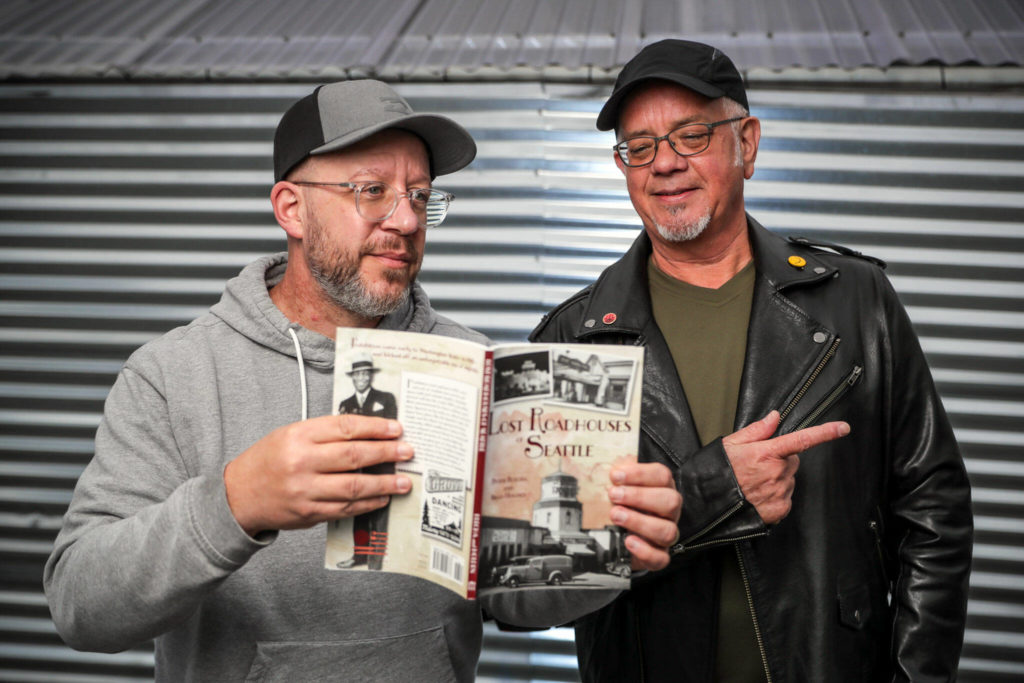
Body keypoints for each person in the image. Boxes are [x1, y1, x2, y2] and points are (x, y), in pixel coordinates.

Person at [43, 79, 683, 681]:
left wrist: (601, 552)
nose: (407, 221)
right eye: (371, 190)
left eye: (420, 195)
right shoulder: (174, 375)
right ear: (291, 209)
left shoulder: (474, 367)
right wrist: (235, 503)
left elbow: (512, 600)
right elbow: (81, 606)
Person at [530, 39, 973, 682]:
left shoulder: (854, 301)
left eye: (691, 135)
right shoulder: (572, 338)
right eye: (640, 147)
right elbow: (535, 581)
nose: (665, 165)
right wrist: (713, 493)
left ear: (748, 143)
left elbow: (934, 510)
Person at [337, 352, 397, 569]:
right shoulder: (346, 403)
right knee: (359, 515)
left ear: (371, 376)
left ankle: (375, 562)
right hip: (356, 468)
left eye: (365, 373)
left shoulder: (385, 399)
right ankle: (359, 555)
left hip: (381, 468)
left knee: (380, 515)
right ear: (352, 377)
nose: (361, 378)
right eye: (358, 374)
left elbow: (393, 429)